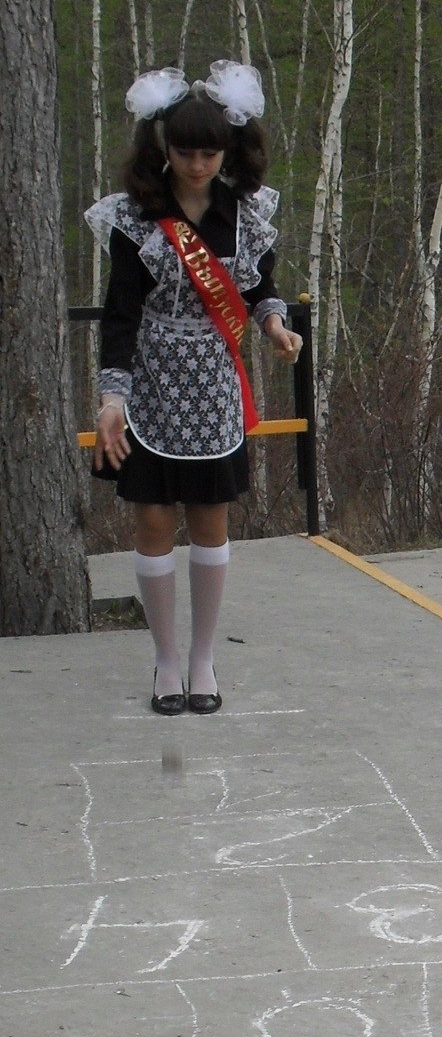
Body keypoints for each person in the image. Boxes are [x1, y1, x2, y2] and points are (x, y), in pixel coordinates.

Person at [87, 61, 301, 715]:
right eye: (186, 152)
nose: (199, 164)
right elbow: (120, 314)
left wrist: (275, 325)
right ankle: (165, 659)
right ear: (165, 148)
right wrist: (112, 398)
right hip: (150, 384)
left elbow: (260, 288)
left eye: (210, 153)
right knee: (153, 520)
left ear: (227, 150)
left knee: (210, 520)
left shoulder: (245, 215)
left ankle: (203, 659)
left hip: (213, 386)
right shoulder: (136, 219)